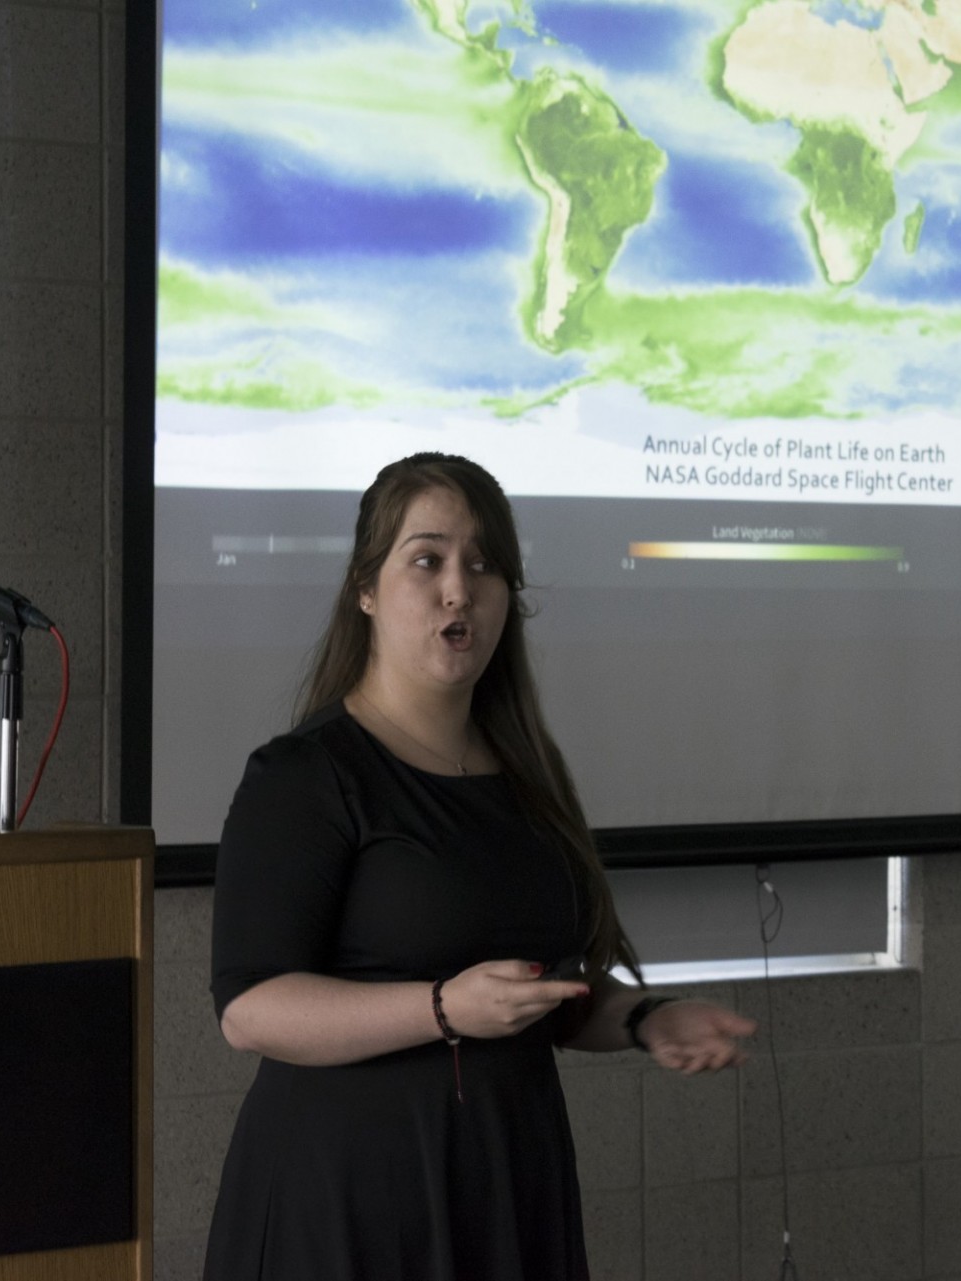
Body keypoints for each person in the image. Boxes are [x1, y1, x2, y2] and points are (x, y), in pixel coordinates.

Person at [204, 453, 756, 1280]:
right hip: (347, 1203)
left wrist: (646, 1019)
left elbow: (546, 994)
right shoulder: (306, 774)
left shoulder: (527, 773)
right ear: (365, 588)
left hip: (504, 1189)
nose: (458, 588)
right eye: (426, 560)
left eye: (483, 563)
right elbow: (251, 1010)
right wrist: (442, 1007)